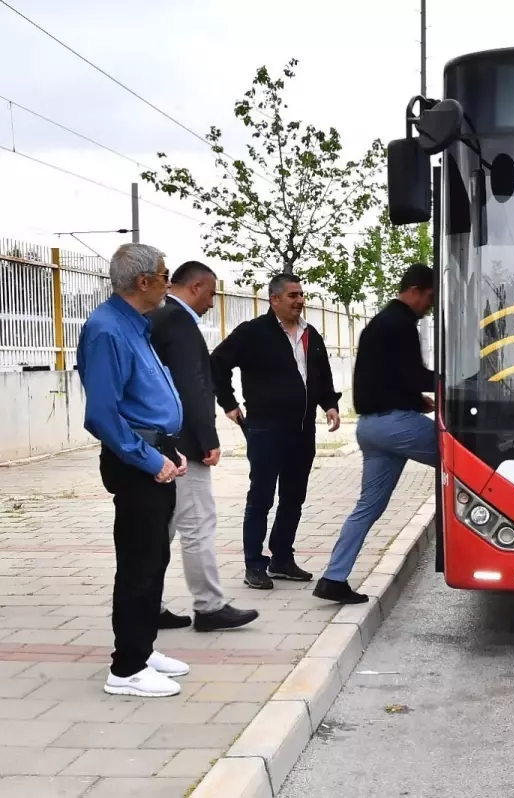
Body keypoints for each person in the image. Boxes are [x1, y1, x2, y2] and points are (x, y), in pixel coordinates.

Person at [77, 243, 191, 698]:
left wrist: (171, 449)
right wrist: (150, 459)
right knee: (139, 563)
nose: (168, 283)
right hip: (137, 462)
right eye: (165, 276)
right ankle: (125, 669)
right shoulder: (106, 331)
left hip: (156, 454)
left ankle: (141, 649)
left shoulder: (134, 326)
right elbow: (102, 415)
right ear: (143, 281)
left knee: (154, 558)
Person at [314, 264, 437, 604]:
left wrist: (415, 399)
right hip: (395, 425)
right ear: (414, 289)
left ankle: (333, 578)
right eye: (429, 296)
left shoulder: (380, 324)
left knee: (368, 507)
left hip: (370, 427)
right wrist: (455, 379)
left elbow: (387, 376)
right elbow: (412, 375)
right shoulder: (401, 324)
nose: (429, 304)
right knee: (466, 459)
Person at [211, 273, 342, 590]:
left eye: (301, 294)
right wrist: (228, 403)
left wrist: (330, 405)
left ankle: (281, 558)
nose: (299, 300)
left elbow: (321, 374)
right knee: (261, 497)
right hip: (266, 429)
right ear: (275, 300)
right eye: (293, 295)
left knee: (294, 497)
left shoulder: (310, 334)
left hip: (302, 430)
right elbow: (216, 363)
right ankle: (254, 565)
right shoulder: (253, 333)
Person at [148, 260, 259, 632]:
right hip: (183, 445)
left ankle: (148, 604)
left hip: (157, 442)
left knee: (161, 527)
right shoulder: (179, 324)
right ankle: (209, 607)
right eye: (211, 293)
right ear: (195, 287)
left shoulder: (157, 317)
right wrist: (208, 440)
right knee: (197, 523)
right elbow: (192, 386)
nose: (213, 303)